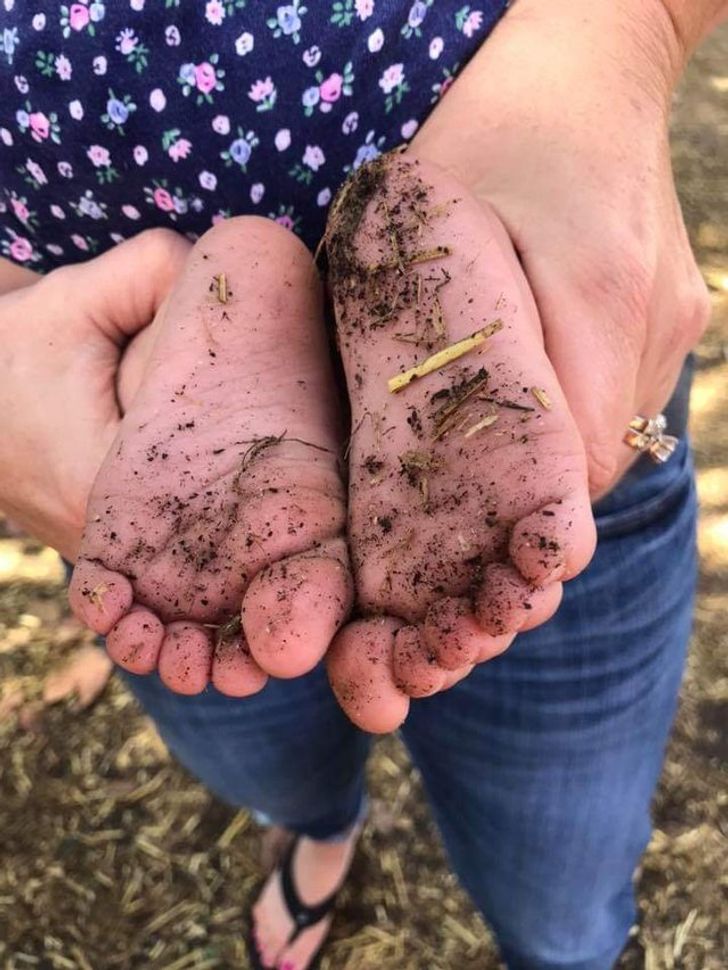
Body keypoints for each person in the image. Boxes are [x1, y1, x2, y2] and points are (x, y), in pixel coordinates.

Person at [0, 2, 724, 968]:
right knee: (534, 864)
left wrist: (607, 46)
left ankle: (200, 330)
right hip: (106, 439)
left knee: (520, 848)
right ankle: (349, 837)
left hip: (160, 401)